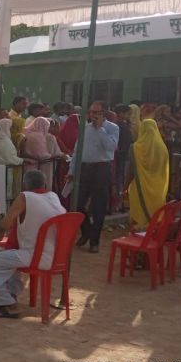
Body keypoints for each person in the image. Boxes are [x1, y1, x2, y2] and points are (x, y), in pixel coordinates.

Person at [0, 170, 66, 318]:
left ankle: (8, 304)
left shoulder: (25, 197)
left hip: (34, 256)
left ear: (24, 185)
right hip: (55, 256)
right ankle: (11, 293)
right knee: (2, 254)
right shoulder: (53, 196)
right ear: (45, 184)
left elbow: (3, 227)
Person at [72, 101, 119, 253]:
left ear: (103, 113)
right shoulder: (84, 128)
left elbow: (111, 147)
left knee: (99, 207)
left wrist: (100, 129)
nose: (93, 115)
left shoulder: (112, 128)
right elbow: (76, 150)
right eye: (91, 112)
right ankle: (87, 231)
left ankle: (94, 241)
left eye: (96, 112)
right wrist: (71, 170)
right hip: (85, 168)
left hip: (101, 168)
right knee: (78, 204)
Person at [126, 119, 169, 230]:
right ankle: (153, 239)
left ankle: (137, 241)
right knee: (155, 215)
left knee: (138, 215)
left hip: (139, 188)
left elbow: (131, 170)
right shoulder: (163, 148)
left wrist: (125, 187)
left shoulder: (136, 148)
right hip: (158, 189)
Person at [114, 105, 133, 212]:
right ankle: (119, 203)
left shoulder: (123, 125)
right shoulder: (119, 125)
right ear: (121, 113)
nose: (129, 116)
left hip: (123, 154)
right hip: (121, 155)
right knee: (120, 179)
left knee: (121, 178)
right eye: (127, 114)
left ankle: (120, 202)